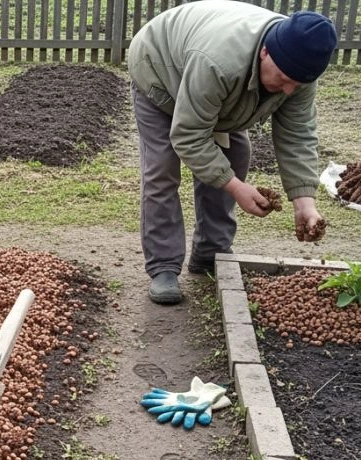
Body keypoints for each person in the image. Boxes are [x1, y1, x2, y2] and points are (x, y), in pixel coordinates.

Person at [128, 1, 338, 304]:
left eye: (297, 83)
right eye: (283, 79)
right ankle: (164, 267)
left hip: (221, 91)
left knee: (235, 155)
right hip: (161, 71)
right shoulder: (218, 62)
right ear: (266, 51)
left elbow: (298, 134)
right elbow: (188, 135)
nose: (289, 90)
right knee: (162, 166)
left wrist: (304, 201)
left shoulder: (298, 69)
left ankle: (211, 253)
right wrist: (235, 187)